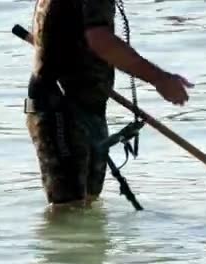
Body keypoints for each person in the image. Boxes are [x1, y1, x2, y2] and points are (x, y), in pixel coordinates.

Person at [25, 0, 193, 208]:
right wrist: (159, 78)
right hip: (61, 107)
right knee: (69, 211)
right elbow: (100, 40)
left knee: (88, 207)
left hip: (86, 106)